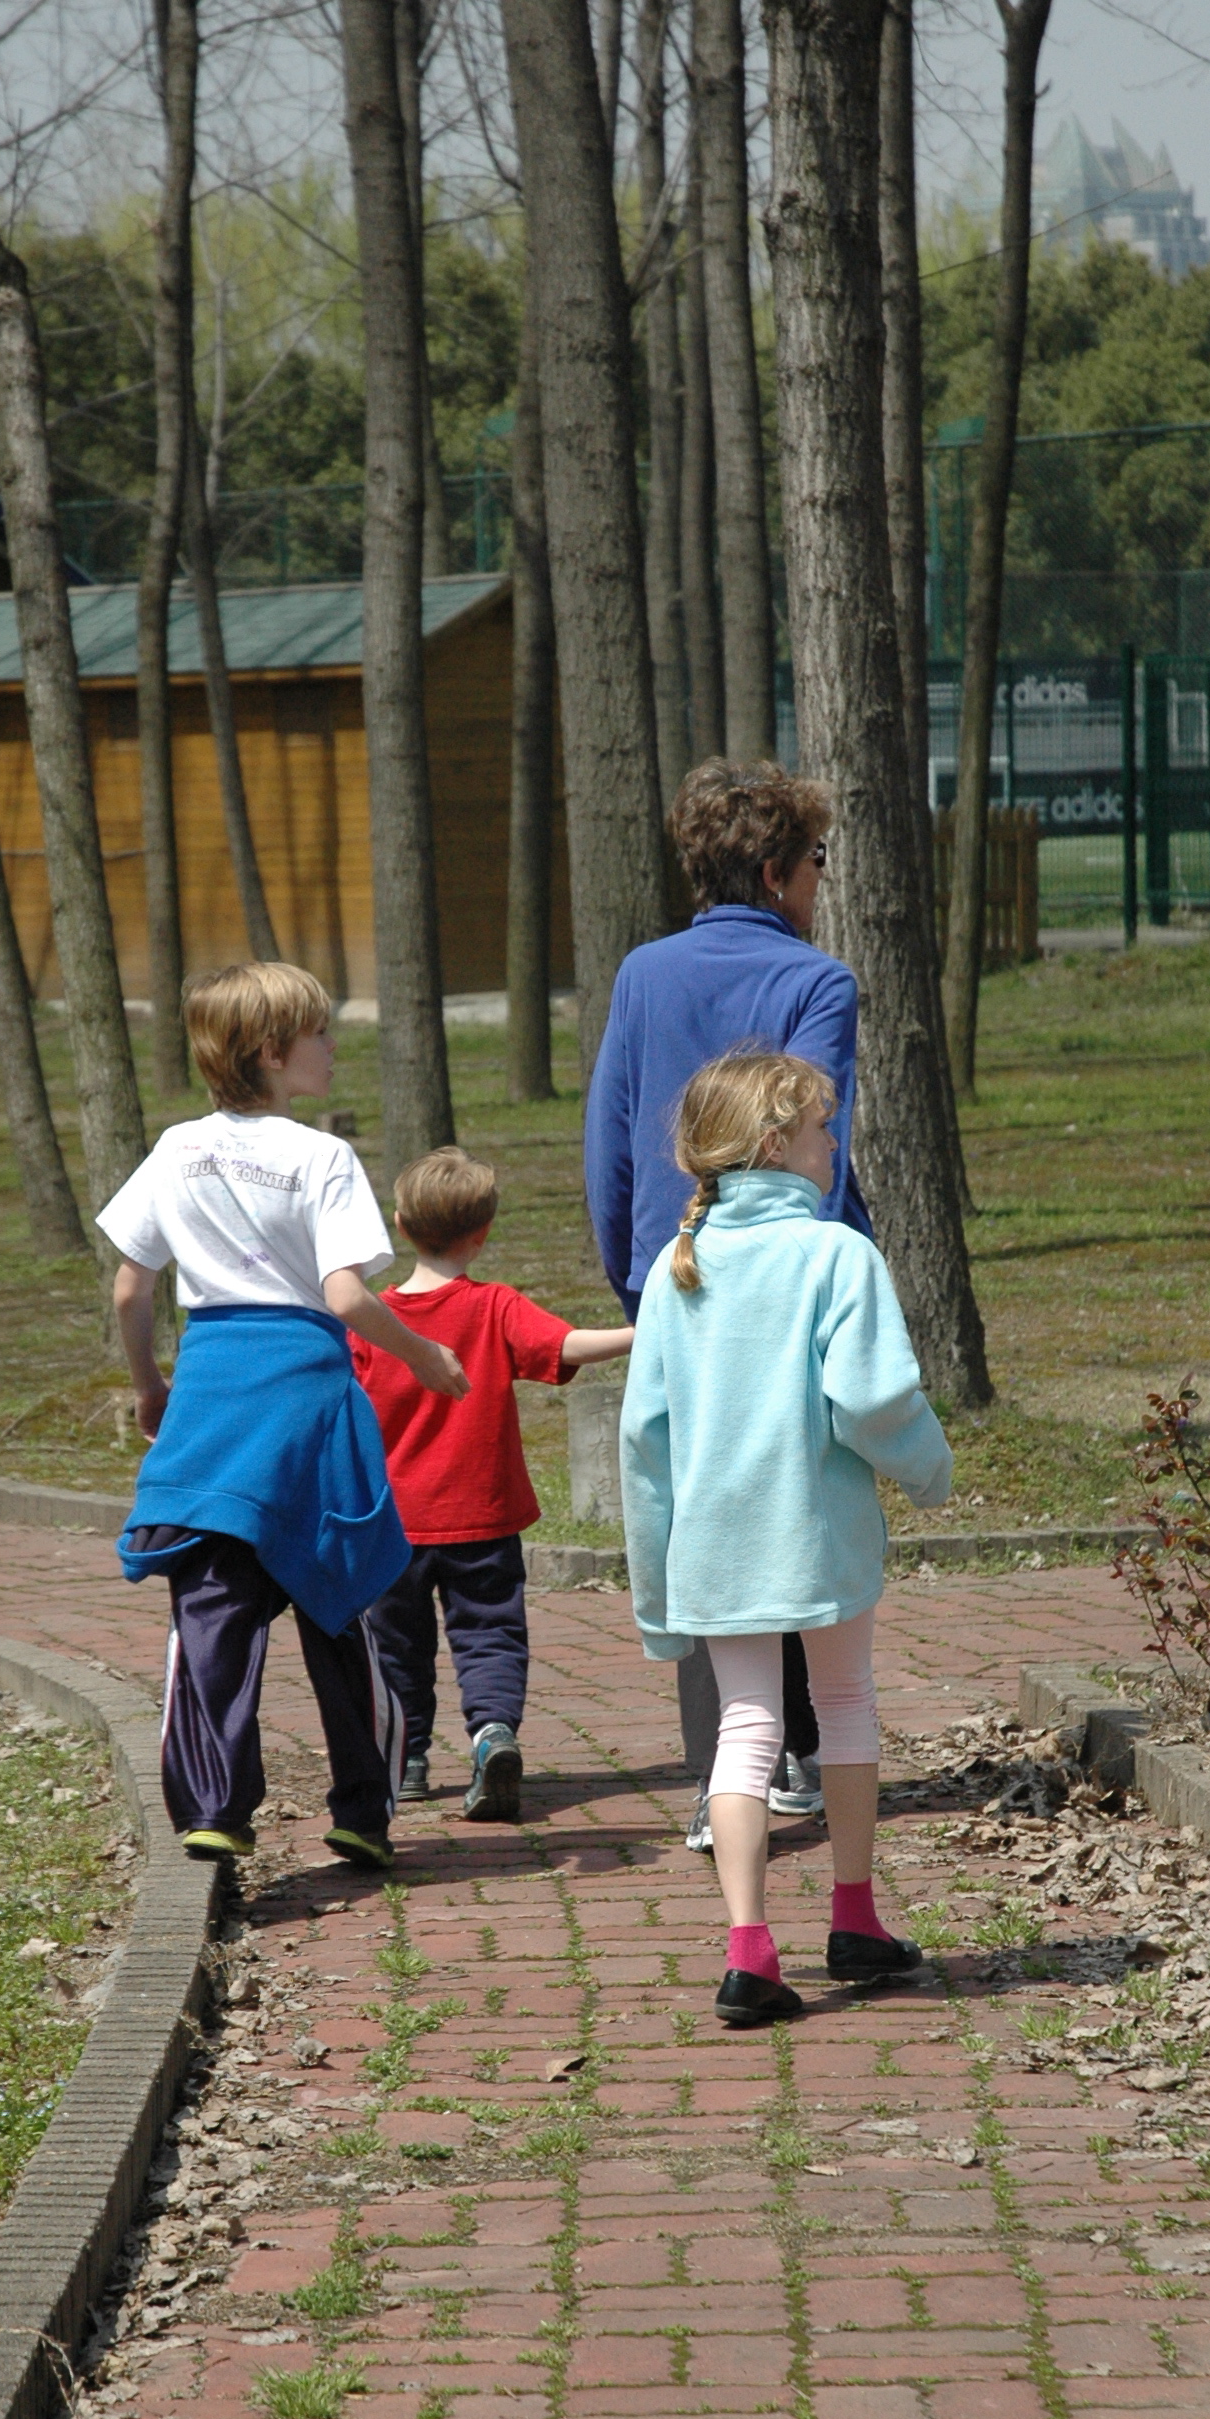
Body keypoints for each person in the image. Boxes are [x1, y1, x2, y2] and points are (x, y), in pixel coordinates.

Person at [100, 961, 467, 1874]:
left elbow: (131, 1287)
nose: (332, 1047)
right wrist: (424, 1356)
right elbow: (346, 1296)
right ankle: (363, 1810)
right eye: (319, 1033)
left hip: (214, 1394)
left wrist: (150, 1386)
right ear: (272, 1052)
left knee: (213, 1602)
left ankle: (215, 1807)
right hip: (306, 1397)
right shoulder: (322, 1156)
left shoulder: (174, 1149)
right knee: (338, 1592)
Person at [619, 1051, 953, 2029]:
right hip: (815, 1535)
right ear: (774, 1142)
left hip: (714, 1544)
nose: (831, 1142)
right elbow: (872, 1398)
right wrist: (929, 1469)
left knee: (745, 1726)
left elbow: (644, 1442)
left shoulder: (674, 1267)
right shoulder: (834, 1253)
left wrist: (656, 1595)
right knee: (844, 1705)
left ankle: (748, 1949)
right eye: (820, 1126)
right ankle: (853, 1917)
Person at [584, 760, 873, 1846]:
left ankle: (726, 1772)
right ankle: (792, 1747)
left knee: (703, 1498)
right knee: (795, 1479)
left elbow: (611, 1136)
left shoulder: (642, 973)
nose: (819, 880)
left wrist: (634, 1270)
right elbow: (812, 1134)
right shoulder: (818, 979)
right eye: (814, 861)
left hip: (679, 1267)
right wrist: (818, 1266)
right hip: (789, 1270)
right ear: (772, 871)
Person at [353, 1146, 633, 1823]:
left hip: (392, 1521)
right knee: (490, 1634)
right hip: (483, 1514)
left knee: (395, 1645)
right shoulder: (495, 1306)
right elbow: (564, 1347)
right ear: (482, 1233)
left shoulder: (371, 1322)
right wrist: (641, 1331)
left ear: (400, 1225)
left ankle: (407, 1758)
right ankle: (492, 1733)